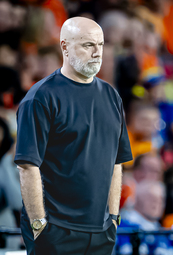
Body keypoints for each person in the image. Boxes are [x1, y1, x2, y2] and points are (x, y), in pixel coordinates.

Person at [14, 17, 132, 255]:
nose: (97, 52)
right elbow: (28, 165)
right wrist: (39, 224)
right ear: (65, 47)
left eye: (100, 45)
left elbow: (117, 162)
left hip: (101, 231)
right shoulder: (41, 97)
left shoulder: (112, 96)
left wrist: (113, 217)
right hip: (56, 231)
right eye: (88, 45)